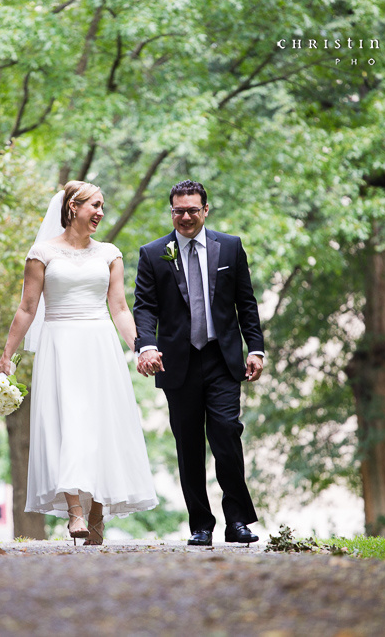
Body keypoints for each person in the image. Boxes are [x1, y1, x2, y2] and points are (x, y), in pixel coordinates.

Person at [0, 181, 158, 545]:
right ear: (72, 207)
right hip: (60, 344)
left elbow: (118, 308)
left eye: (102, 205)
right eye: (94, 205)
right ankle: (75, 511)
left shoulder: (110, 253)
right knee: (69, 423)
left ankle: (97, 515)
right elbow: (27, 307)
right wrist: (8, 355)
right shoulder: (42, 253)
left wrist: (140, 347)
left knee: (102, 426)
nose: (100, 212)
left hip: (100, 344)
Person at [133, 179, 264, 546]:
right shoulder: (153, 253)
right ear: (171, 212)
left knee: (226, 435)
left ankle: (237, 522)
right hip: (177, 363)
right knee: (188, 445)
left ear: (206, 210)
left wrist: (256, 348)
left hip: (222, 360)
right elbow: (144, 307)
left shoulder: (231, 248)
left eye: (193, 210)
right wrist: (146, 345)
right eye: (179, 211)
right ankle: (200, 525)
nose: (186, 217)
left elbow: (246, 303)